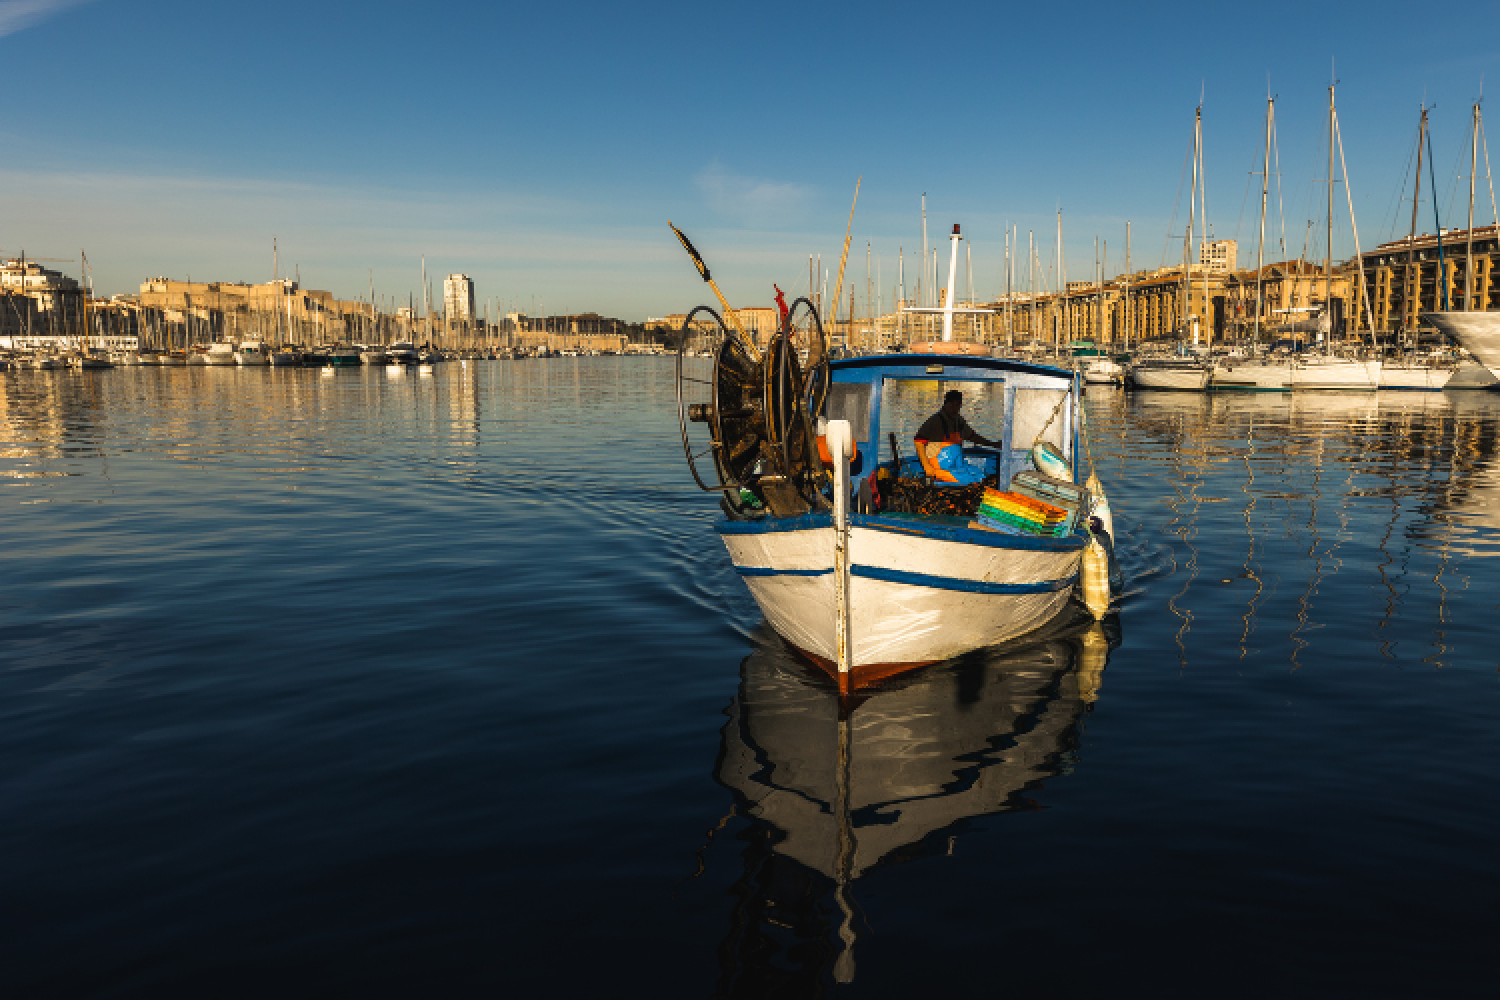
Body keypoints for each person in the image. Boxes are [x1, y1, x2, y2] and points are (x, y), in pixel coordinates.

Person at [914, 390, 998, 483]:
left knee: (979, 475)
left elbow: (972, 436)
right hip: (938, 468)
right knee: (968, 480)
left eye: (957, 405)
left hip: (957, 466)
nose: (954, 408)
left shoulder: (959, 421)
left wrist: (993, 444)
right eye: (952, 405)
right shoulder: (935, 420)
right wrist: (927, 467)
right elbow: (919, 442)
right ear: (946, 404)